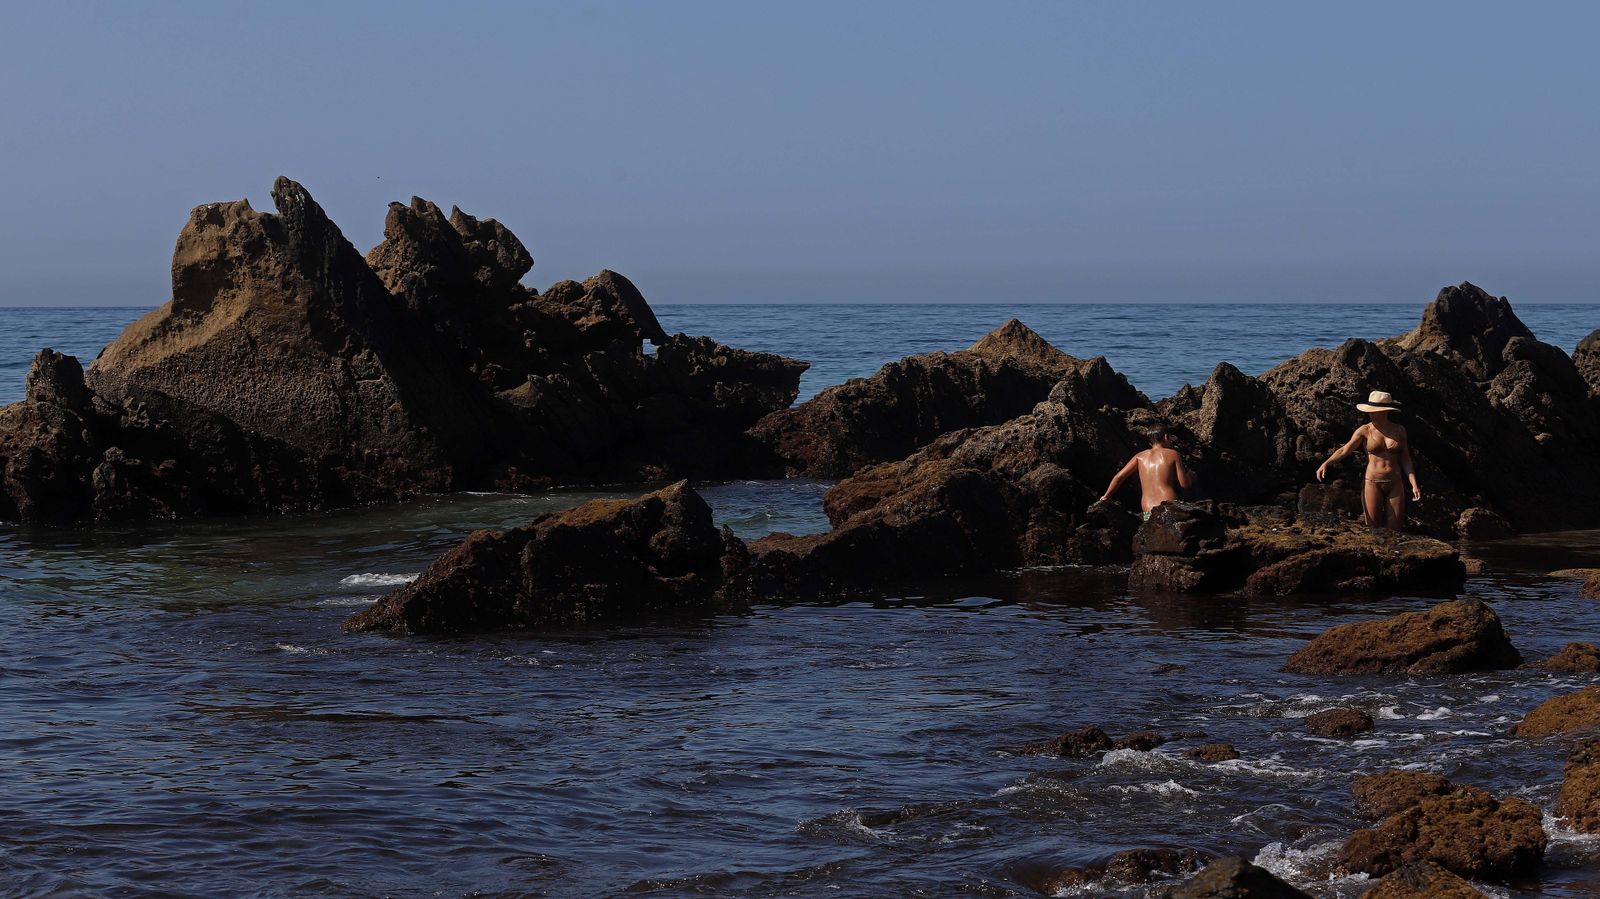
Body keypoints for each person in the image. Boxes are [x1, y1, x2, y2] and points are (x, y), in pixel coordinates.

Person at [1315, 390, 1421, 530]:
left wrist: (1414, 484)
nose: (1370, 413)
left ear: (1384, 411)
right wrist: (1326, 463)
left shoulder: (1399, 430)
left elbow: (1405, 459)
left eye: (1374, 410)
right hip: (1372, 483)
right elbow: (1345, 449)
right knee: (1372, 529)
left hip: (1395, 483)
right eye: (1370, 410)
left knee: (1395, 530)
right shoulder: (1364, 430)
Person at [1100, 423, 1192, 519]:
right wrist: (1190, 476)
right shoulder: (1173, 454)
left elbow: (1119, 477)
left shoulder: (1139, 457)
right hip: (1167, 504)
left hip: (1147, 508)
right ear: (1166, 437)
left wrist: (1106, 497)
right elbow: (1185, 484)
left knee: (1150, 529)